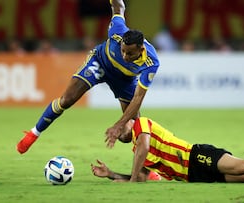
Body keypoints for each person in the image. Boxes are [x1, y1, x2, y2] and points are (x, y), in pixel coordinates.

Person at [16, 0, 160, 154]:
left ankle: (145, 170)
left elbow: (138, 98)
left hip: (125, 80)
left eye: (129, 53)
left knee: (130, 132)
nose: (125, 56)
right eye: (123, 51)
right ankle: (34, 133)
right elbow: (119, 6)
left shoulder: (151, 63)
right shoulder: (117, 31)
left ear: (141, 49)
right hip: (100, 63)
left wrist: (119, 125)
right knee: (67, 99)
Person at [91, 117, 244, 183]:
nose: (117, 130)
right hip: (194, 176)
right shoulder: (138, 149)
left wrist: (131, 180)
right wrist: (112, 174)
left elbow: (142, 148)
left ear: (129, 121)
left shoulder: (142, 125)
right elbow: (143, 176)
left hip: (196, 156)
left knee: (242, 165)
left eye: (119, 125)